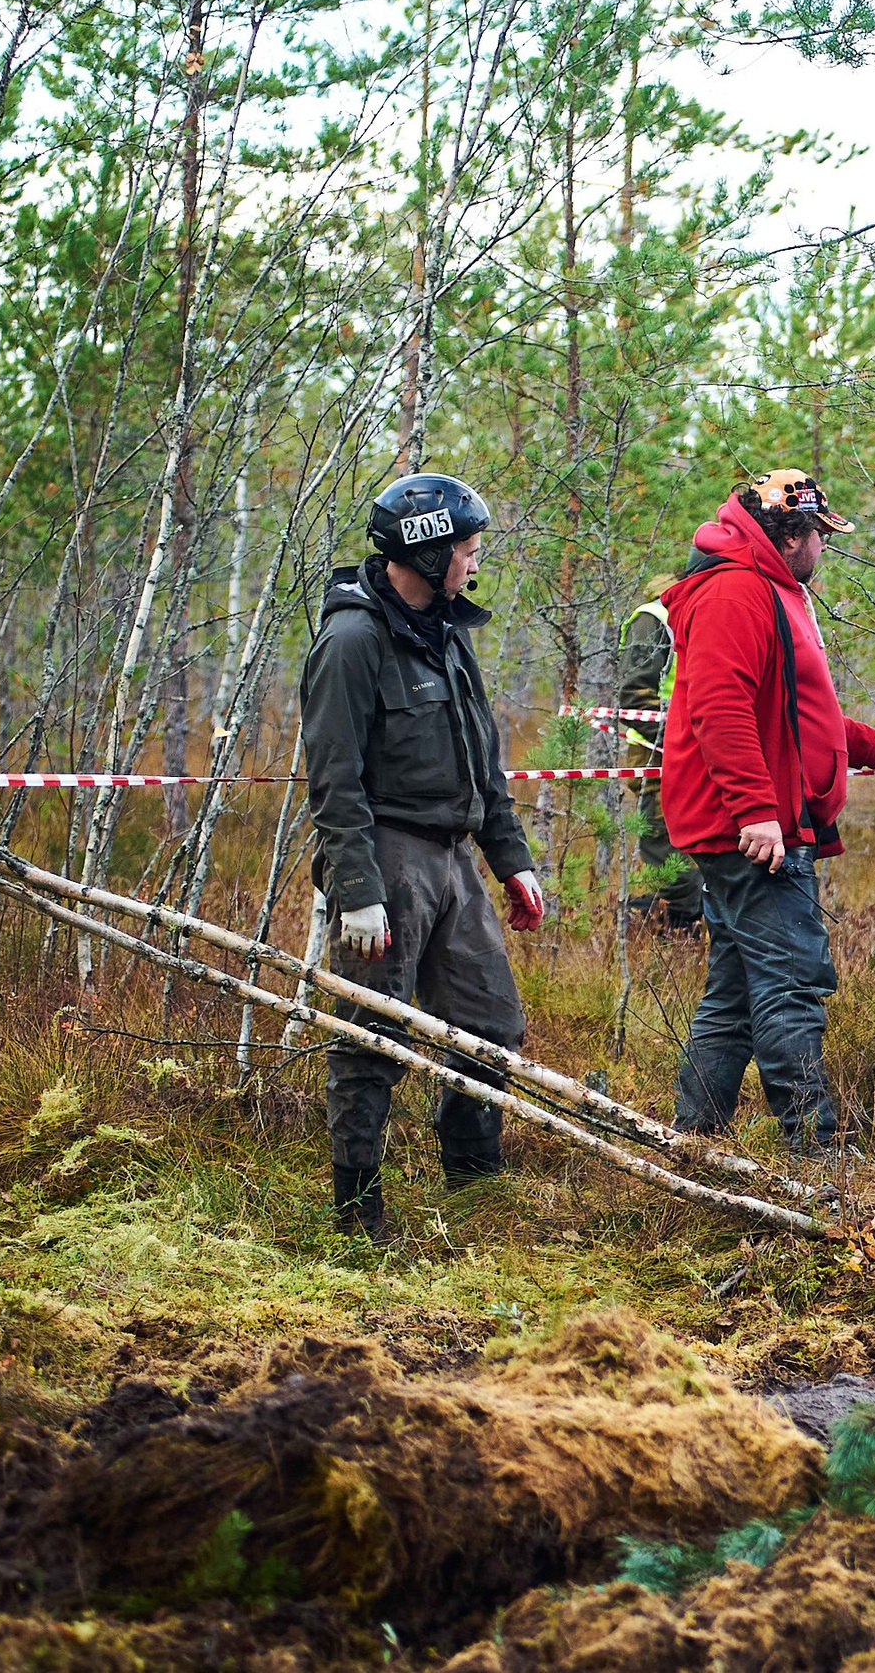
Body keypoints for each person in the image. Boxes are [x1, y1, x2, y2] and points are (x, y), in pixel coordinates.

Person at [301, 473, 546, 1242]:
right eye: (467, 551)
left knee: (492, 1026)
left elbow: (485, 758)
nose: (474, 563)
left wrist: (510, 857)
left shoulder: (447, 631)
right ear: (429, 550)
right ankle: (356, 1210)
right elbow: (333, 781)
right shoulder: (351, 641)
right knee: (374, 1035)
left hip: (453, 860)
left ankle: (473, 1184)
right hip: (385, 857)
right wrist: (358, 890)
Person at [659, 469, 875, 1147]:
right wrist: (755, 812)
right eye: (821, 537)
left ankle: (694, 1139)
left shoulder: (771, 588)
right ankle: (814, 1151)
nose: (825, 549)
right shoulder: (736, 591)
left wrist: (871, 748)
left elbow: (800, 710)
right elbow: (720, 708)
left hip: (762, 821)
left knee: (738, 992)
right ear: (793, 535)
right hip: (751, 830)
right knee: (792, 985)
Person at [617, 573, 702, 928]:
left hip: (708, 762)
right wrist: (686, 739)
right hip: (660, 762)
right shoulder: (655, 618)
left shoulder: (710, 612)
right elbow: (634, 697)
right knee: (672, 866)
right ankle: (672, 949)